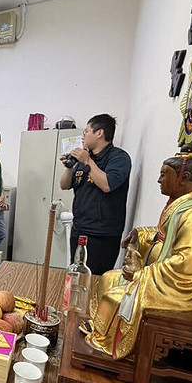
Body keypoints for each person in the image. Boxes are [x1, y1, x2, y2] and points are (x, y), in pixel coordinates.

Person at [86, 147, 192, 360]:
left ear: (183, 177)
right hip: (157, 275)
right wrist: (139, 234)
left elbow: (187, 263)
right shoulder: (181, 206)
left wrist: (141, 274)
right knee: (108, 278)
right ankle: (101, 331)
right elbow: (163, 237)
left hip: (174, 287)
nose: (158, 180)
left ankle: (106, 342)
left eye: (164, 174)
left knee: (114, 297)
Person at [60, 114, 131, 275]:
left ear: (99, 133)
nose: (84, 136)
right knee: (77, 275)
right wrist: (70, 167)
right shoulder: (85, 159)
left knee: (95, 280)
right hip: (80, 228)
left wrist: (88, 162)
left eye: (87, 131)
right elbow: (64, 185)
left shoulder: (118, 158)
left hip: (102, 234)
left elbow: (107, 185)